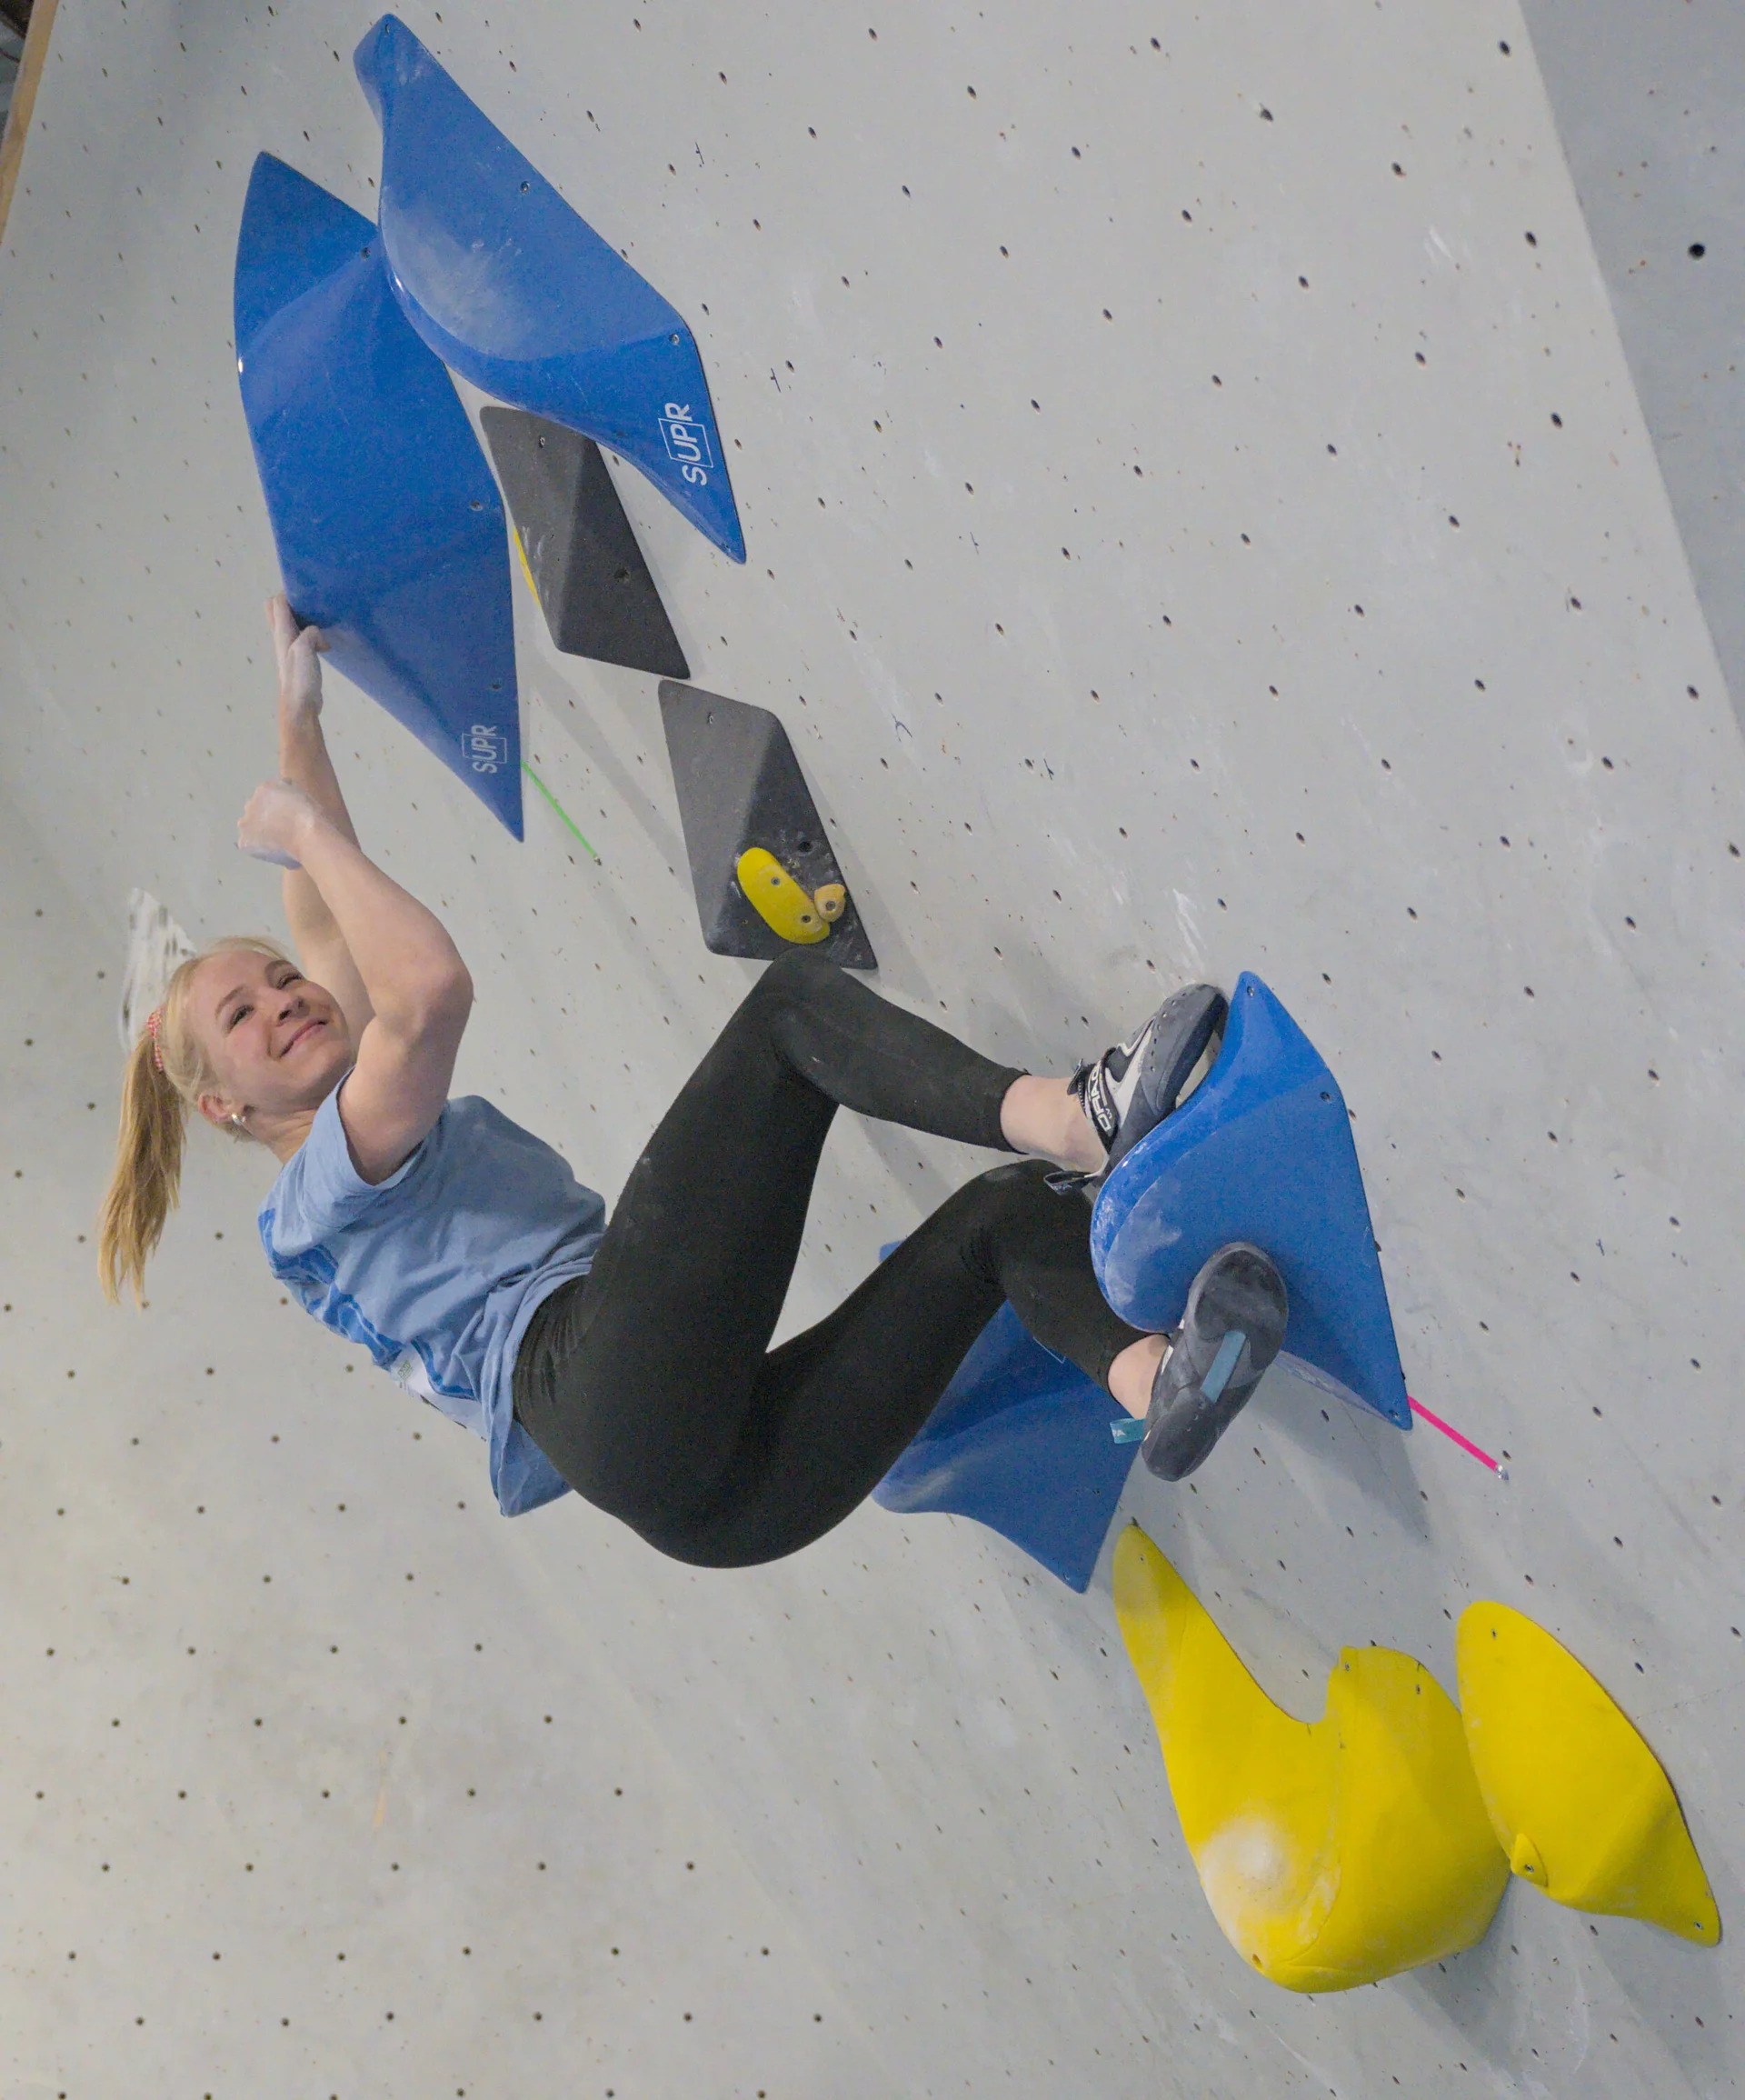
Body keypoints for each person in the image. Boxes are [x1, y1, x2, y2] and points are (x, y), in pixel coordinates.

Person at [97, 598, 1287, 1565]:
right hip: (594, 1383)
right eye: (244, 1016)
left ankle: (1158, 1379)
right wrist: (308, 837)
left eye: (271, 981)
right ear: (225, 1109)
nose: (286, 1000)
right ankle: (1084, 1115)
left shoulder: (338, 1150)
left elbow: (324, 927)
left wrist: (297, 709)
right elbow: (426, 989)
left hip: (701, 1501)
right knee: (787, 1015)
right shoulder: (321, 1183)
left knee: (1000, 1220)